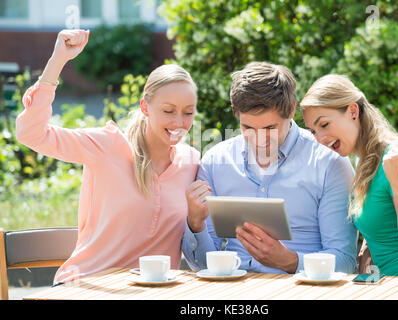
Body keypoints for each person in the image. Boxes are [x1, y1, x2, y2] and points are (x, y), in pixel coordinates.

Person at [15, 29, 200, 284]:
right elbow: (31, 134)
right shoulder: (106, 146)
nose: (179, 122)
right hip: (87, 284)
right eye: (169, 111)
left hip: (153, 291)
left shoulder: (191, 162)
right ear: (145, 106)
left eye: (188, 113)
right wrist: (57, 61)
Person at [182, 62, 358, 274]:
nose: (259, 140)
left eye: (270, 128)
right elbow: (202, 265)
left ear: (291, 110)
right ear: (236, 114)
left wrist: (290, 261)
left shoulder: (329, 163)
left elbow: (345, 261)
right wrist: (195, 224)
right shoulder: (215, 162)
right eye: (248, 128)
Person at [300, 74, 398, 278]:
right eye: (313, 131)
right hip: (394, 283)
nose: (320, 139)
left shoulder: (396, 158)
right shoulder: (365, 162)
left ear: (353, 111)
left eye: (324, 125)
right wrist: (372, 237)